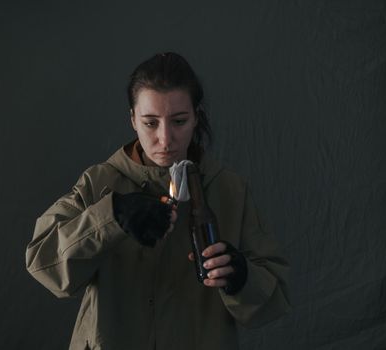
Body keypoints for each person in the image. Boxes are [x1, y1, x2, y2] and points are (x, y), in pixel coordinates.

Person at [25, 52, 290, 350]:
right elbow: (43, 262)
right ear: (133, 120)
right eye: (151, 123)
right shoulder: (99, 183)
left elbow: (276, 292)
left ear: (196, 117)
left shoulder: (229, 189)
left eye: (179, 121)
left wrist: (241, 276)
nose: (166, 139)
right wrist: (111, 215)